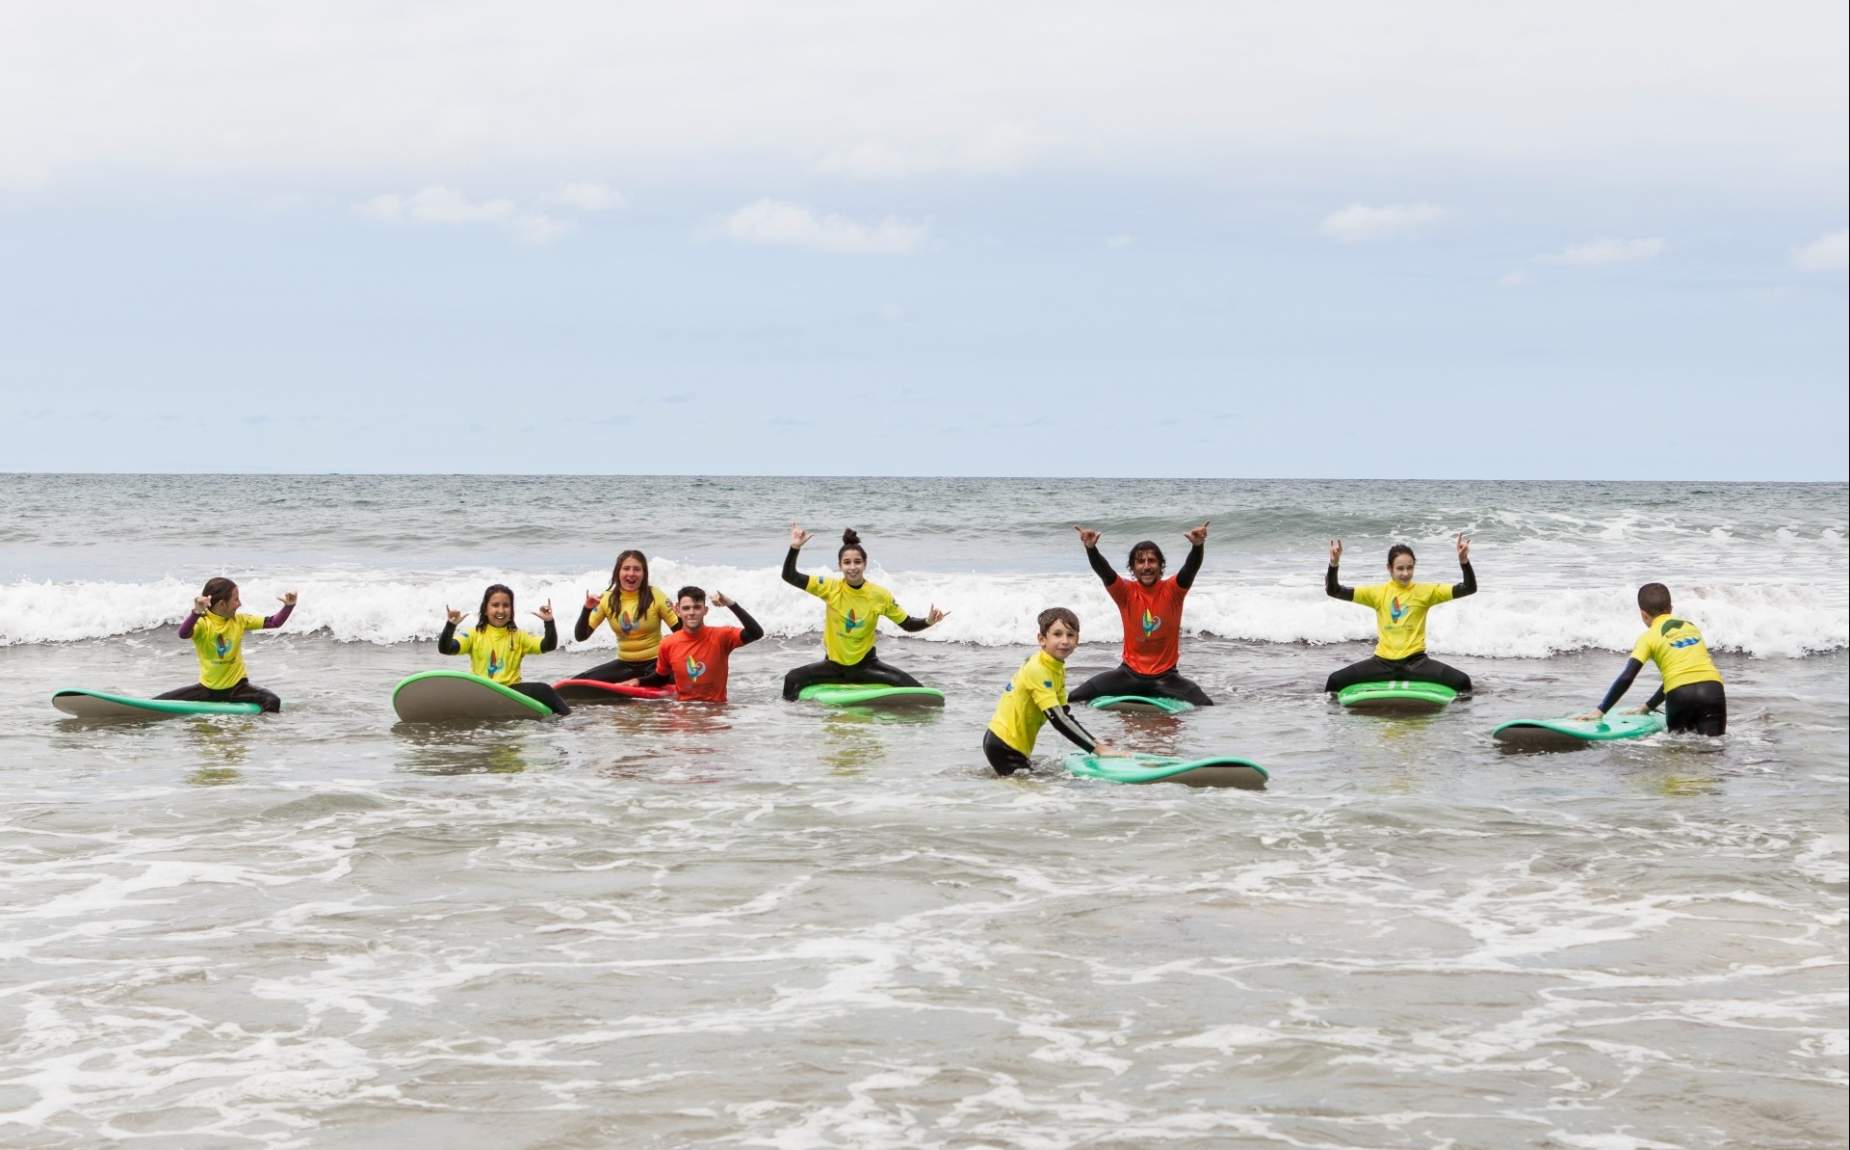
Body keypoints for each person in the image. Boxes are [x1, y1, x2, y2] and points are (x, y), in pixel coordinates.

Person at [780, 524, 948, 701]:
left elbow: (907, 624)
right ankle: (795, 722)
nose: (852, 567)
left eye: (857, 562)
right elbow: (789, 575)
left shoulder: (879, 595)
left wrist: (928, 621)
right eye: (847, 562)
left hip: (866, 667)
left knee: (917, 691)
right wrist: (795, 547)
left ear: (865, 564)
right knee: (792, 679)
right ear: (840, 566)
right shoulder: (829, 587)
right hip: (833, 667)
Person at [1068, 522, 1214, 706]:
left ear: (1161, 566)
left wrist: (1197, 546)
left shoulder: (1174, 590)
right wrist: (1091, 549)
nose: (1146, 566)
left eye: (1151, 561)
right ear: (1133, 567)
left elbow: (1190, 569)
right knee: (1073, 698)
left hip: (1166, 679)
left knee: (1206, 706)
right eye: (1140, 561)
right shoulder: (1124, 592)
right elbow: (1105, 572)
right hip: (1129, 675)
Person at [1324, 535, 1477, 693]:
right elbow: (1334, 590)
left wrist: (1464, 561)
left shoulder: (1427, 591)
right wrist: (1334, 564)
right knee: (1335, 681)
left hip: (1416, 664)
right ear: (1389, 568)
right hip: (1382, 663)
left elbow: (1469, 588)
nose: (1405, 573)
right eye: (1400, 568)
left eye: (1410, 568)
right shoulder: (1377, 593)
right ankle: (1335, 718)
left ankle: (1458, 718)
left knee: (1463, 682)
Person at [1574, 583, 1726, 735]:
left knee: (1679, 751)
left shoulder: (1647, 638)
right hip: (1712, 690)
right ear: (1671, 609)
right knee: (1713, 748)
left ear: (1643, 615)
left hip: (1679, 695)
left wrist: (1601, 710)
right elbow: (1680, 676)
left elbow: (1627, 677)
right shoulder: (1691, 627)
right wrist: (1648, 707)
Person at [983, 607, 1121, 775]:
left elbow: (1064, 714)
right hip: (1005, 745)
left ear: (1077, 640)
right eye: (1057, 634)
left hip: (1006, 743)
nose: (1065, 641)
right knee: (1034, 794)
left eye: (1070, 635)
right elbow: (1058, 720)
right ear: (1042, 639)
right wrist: (1098, 749)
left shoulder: (1056, 667)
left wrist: (1093, 741)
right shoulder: (1038, 669)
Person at [158, 576, 295, 713]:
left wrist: (289, 606)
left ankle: (264, 731)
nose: (239, 604)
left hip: (237, 689)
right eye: (236, 600)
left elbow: (274, 622)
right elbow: (183, 633)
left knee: (272, 701)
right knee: (160, 701)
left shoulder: (240, 620)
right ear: (222, 604)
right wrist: (196, 613)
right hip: (207, 690)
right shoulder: (202, 623)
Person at [437, 584, 570, 715]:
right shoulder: (473, 634)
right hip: (482, 690)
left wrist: (549, 622)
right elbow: (446, 648)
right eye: (495, 605)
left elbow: (548, 646)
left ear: (511, 610)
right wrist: (450, 625)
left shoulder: (519, 636)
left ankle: (567, 723)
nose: (501, 610)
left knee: (543, 690)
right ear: (485, 610)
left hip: (510, 692)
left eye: (506, 605)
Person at [570, 549, 681, 683]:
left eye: (637, 569)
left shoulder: (656, 596)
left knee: (669, 678)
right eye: (626, 568)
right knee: (579, 682)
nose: (631, 573)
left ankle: (645, 683)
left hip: (656, 663)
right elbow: (581, 636)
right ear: (618, 572)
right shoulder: (607, 599)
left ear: (644, 573)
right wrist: (587, 609)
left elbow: (681, 633)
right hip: (625, 665)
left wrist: (677, 627)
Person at [651, 586, 765, 703]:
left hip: (715, 712)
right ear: (678, 610)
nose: (691, 612)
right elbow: (660, 678)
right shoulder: (667, 643)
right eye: (686, 608)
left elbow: (756, 632)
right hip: (684, 712)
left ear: (705, 610)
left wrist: (731, 604)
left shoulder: (722, 636)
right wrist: (638, 681)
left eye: (697, 607)